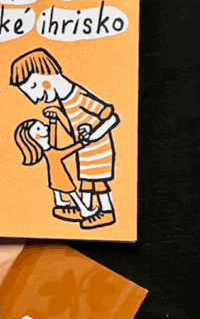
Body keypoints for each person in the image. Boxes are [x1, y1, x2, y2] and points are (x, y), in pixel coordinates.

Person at [9, 48, 119, 229]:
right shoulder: (65, 101)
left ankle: (107, 211)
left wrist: (94, 135)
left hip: (99, 151)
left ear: (42, 79)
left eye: (34, 91)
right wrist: (60, 115)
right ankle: (86, 210)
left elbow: (112, 118)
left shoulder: (79, 96)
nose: (36, 100)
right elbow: (73, 131)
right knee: (86, 183)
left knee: (98, 183)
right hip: (85, 152)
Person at [13, 109, 98, 222]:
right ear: (37, 137)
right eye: (39, 128)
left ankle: (59, 201)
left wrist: (53, 121)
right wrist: (81, 144)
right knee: (72, 192)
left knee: (56, 188)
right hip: (60, 175)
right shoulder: (51, 153)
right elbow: (65, 152)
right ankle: (84, 210)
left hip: (53, 174)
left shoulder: (47, 148)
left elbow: (52, 139)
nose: (45, 127)